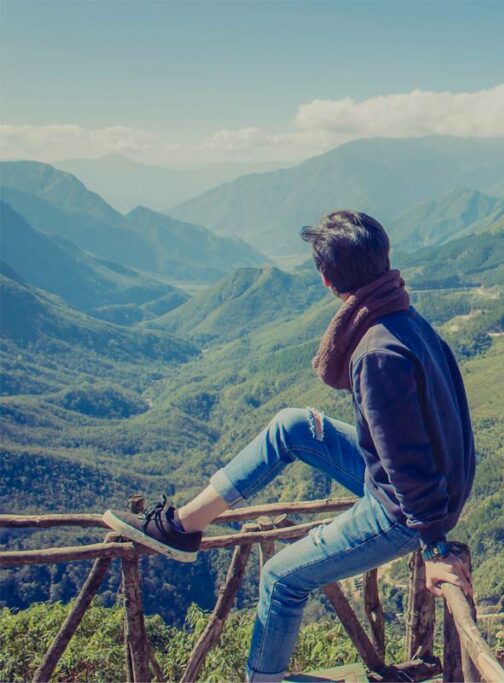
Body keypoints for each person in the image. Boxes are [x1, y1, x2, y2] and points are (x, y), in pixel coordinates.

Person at [104, 210, 476, 682]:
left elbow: (408, 464)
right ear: (383, 258)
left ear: (325, 279)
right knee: (294, 426)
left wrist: (435, 545)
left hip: (407, 511)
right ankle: (183, 526)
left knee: (281, 578)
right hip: (430, 489)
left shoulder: (377, 353)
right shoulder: (403, 317)